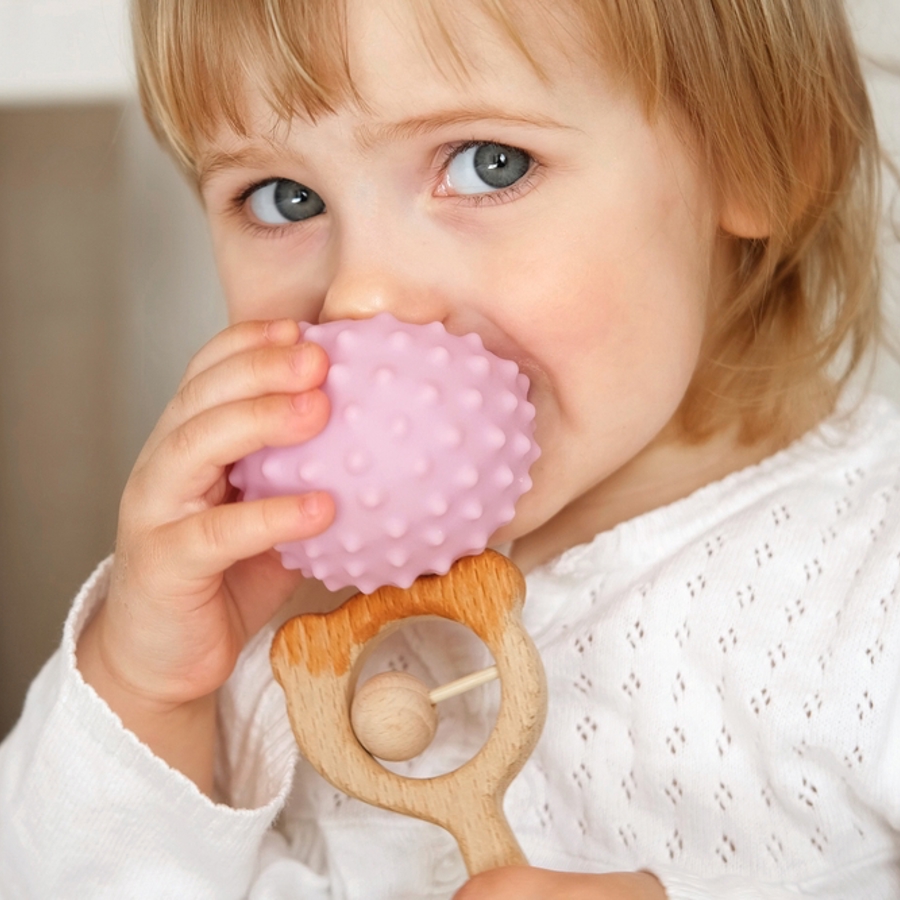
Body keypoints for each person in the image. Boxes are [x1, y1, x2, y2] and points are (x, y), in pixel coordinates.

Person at [1, 0, 898, 896]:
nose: (358, 297)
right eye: (285, 199)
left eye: (486, 164)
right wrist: (148, 692)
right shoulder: (255, 610)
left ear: (757, 153)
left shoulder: (869, 586)